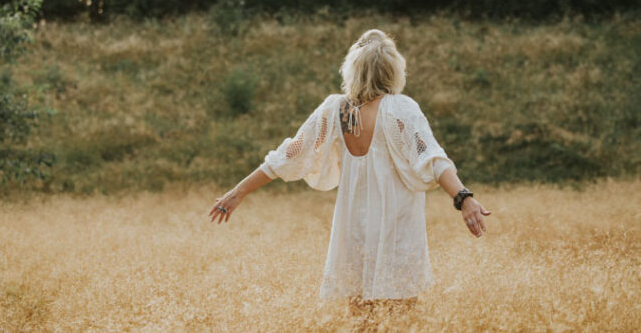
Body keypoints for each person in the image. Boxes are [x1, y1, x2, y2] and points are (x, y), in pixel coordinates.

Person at [208, 29, 490, 313]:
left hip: (354, 226)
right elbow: (432, 158)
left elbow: (288, 155)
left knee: (361, 319)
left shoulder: (335, 110)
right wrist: (463, 198)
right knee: (402, 317)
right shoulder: (400, 109)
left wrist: (238, 192)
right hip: (397, 227)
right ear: (393, 70)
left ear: (352, 69)